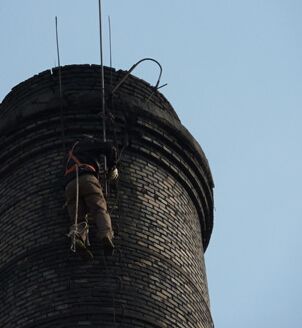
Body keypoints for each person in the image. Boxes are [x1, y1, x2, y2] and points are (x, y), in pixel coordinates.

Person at [64, 135, 118, 259]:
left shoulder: (68, 154)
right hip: (87, 178)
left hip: (70, 185)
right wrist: (112, 167)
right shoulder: (87, 143)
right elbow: (109, 147)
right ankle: (105, 234)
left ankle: (78, 238)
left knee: (78, 217)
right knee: (99, 209)